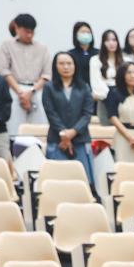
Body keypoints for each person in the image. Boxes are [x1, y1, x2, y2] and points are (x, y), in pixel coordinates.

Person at [41, 51, 95, 187]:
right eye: (62, 63)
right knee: (58, 182)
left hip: (80, 140)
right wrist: (64, 134)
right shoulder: (48, 87)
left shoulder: (84, 87)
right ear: (55, 66)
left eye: (69, 63)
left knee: (82, 182)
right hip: (57, 140)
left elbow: (87, 114)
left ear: (75, 65)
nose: (66, 67)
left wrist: (73, 132)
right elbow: (50, 113)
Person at [0, 13, 51, 130]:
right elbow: (4, 70)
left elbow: (47, 74)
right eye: (26, 32)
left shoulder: (42, 47)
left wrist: (31, 92)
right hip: (15, 88)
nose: (30, 35)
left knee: (41, 124)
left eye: (32, 32)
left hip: (37, 88)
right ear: (17, 28)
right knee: (14, 124)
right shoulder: (7, 45)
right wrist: (21, 93)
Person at [88, 29, 123, 124]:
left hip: (122, 97)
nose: (111, 43)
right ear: (103, 43)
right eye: (107, 40)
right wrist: (110, 96)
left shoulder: (126, 60)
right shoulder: (95, 60)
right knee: (106, 126)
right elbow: (96, 81)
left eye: (114, 40)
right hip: (104, 97)